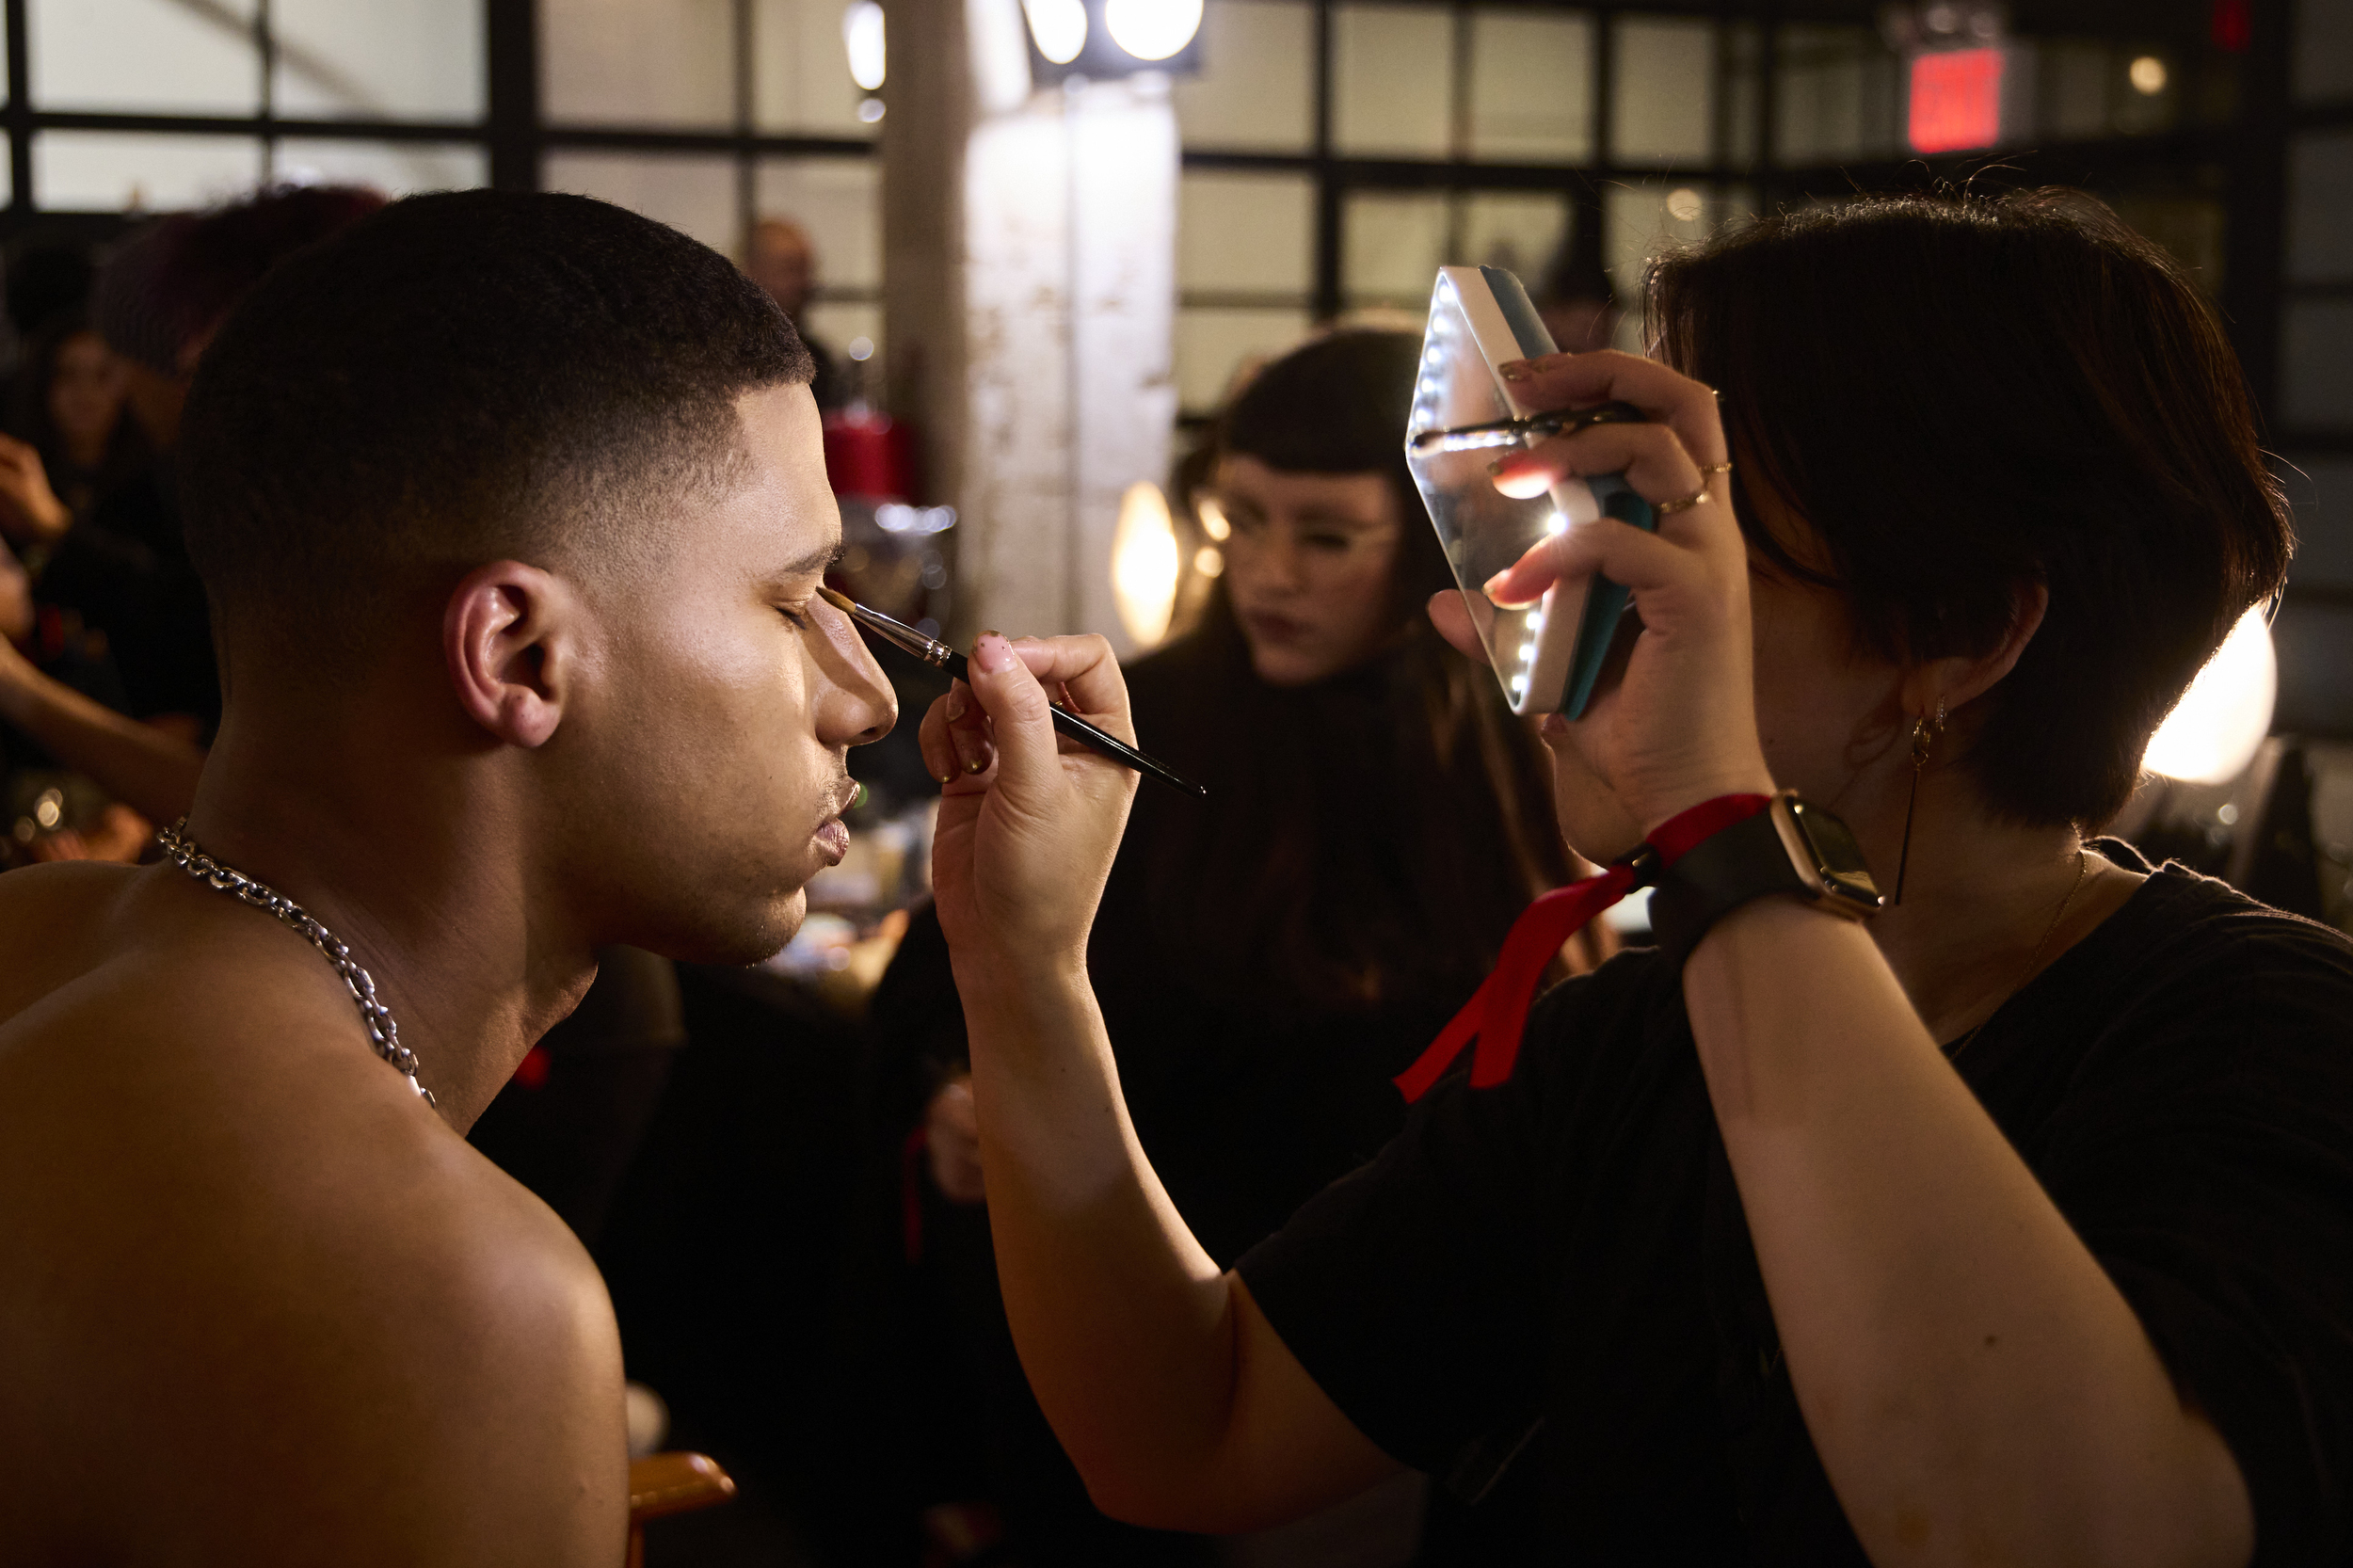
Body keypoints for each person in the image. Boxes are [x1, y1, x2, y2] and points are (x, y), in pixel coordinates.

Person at [914, 188, 2353, 1564]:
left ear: (1960, 635)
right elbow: (1190, 1428)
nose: (1555, 597)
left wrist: (1712, 813)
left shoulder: (2268, 1035)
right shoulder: (1630, 1046)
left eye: (1670, 540)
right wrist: (1027, 968)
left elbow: (2065, 1535)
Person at [0, 189, 897, 1562]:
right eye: (795, 602)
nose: (869, 693)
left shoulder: (36, 934)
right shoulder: (446, 1296)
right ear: (518, 655)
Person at [870, 330, 1587, 1562]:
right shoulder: (1146, 725)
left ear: (1422, 544)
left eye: (1323, 536)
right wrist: (954, 1084)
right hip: (1123, 1294)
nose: (1267, 573)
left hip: (1369, 1347)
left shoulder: (1496, 747)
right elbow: (940, 978)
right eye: (1240, 522)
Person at [744, 216, 847, 409]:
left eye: (807, 270)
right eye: (790, 269)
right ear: (752, 272)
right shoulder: (725, 355)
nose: (804, 283)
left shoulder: (818, 359)